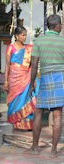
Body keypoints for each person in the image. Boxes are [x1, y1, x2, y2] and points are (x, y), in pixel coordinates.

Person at [29, 14, 64, 157]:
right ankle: (54, 150)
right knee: (57, 115)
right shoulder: (63, 41)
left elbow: (34, 64)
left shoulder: (39, 40)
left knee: (38, 112)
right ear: (57, 26)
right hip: (60, 78)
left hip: (44, 78)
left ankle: (35, 147)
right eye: (60, 25)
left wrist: (32, 84)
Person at [3, 26, 39, 130]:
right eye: (22, 35)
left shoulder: (29, 48)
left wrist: (33, 79)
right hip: (14, 78)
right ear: (16, 36)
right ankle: (14, 123)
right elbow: (7, 65)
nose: (24, 37)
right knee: (14, 100)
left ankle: (27, 125)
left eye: (25, 35)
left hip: (26, 76)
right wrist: (5, 81)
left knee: (27, 97)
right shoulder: (11, 48)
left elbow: (32, 65)